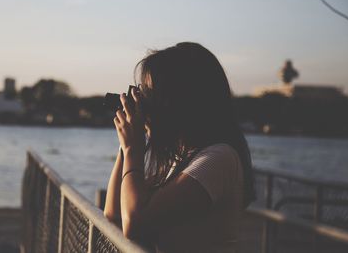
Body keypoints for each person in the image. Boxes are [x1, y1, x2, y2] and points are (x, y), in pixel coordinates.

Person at [104, 42, 256, 252]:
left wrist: (133, 147)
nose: (144, 103)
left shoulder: (217, 159)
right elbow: (114, 217)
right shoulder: (180, 159)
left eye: (149, 93)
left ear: (181, 98)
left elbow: (134, 224)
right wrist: (125, 146)